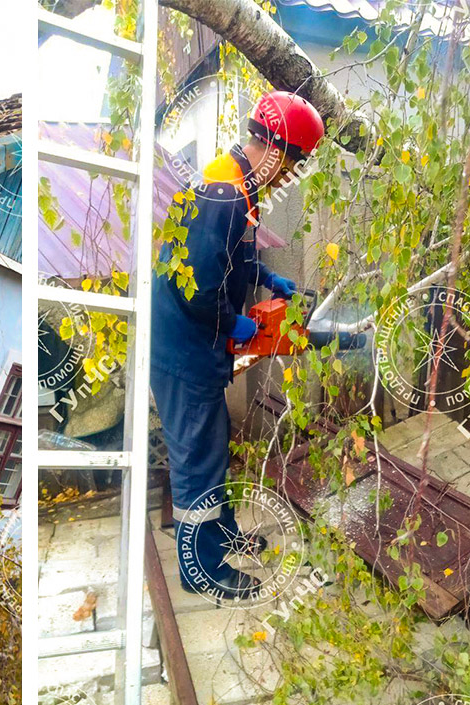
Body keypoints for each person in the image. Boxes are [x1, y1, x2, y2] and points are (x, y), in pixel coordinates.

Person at [151, 90, 324, 599]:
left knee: (212, 446)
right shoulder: (222, 193)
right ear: (274, 148)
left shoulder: (239, 189)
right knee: (198, 461)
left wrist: (271, 281)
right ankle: (201, 569)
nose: (288, 177)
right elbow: (200, 288)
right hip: (186, 349)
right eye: (291, 165)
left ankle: (220, 535)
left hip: (197, 345)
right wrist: (236, 326)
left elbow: (234, 257)